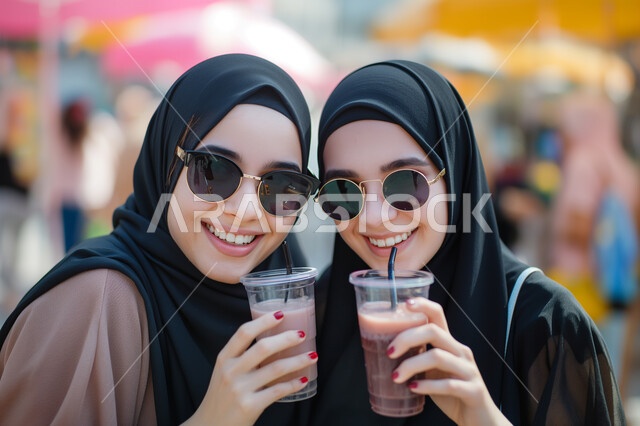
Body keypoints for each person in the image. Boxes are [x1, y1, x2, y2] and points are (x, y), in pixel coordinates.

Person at [0, 54, 321, 425]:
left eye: (281, 184)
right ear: (165, 164)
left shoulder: (285, 289)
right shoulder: (98, 301)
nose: (247, 211)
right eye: (214, 171)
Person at [312, 61, 625, 425]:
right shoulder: (315, 317)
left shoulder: (546, 325)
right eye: (343, 191)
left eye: (405, 183)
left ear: (455, 176)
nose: (374, 217)